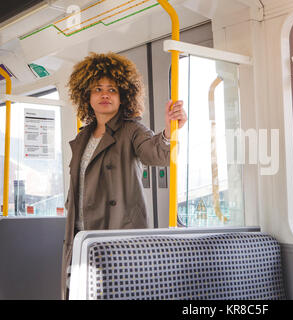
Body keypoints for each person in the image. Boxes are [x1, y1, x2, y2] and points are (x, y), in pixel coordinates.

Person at [61, 52, 186, 299]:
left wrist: (171, 131)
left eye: (112, 89)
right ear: (87, 95)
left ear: (123, 96)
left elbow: (155, 155)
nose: (105, 94)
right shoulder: (82, 137)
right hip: (80, 233)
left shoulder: (132, 130)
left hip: (115, 231)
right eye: (97, 89)